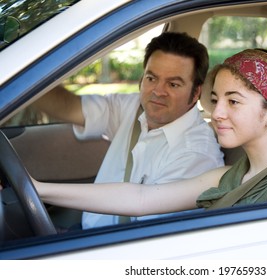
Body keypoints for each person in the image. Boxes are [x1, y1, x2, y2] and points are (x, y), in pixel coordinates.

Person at [35, 48, 267, 218]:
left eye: (233, 101)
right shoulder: (228, 175)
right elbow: (140, 198)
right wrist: (38, 189)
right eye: (216, 99)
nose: (218, 112)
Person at [33, 32, 225, 229]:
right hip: (88, 232)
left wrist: (37, 189)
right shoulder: (132, 108)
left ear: (196, 94)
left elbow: (146, 230)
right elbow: (69, 107)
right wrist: (24, 75)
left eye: (173, 84)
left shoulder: (197, 154)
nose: (158, 91)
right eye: (151, 78)